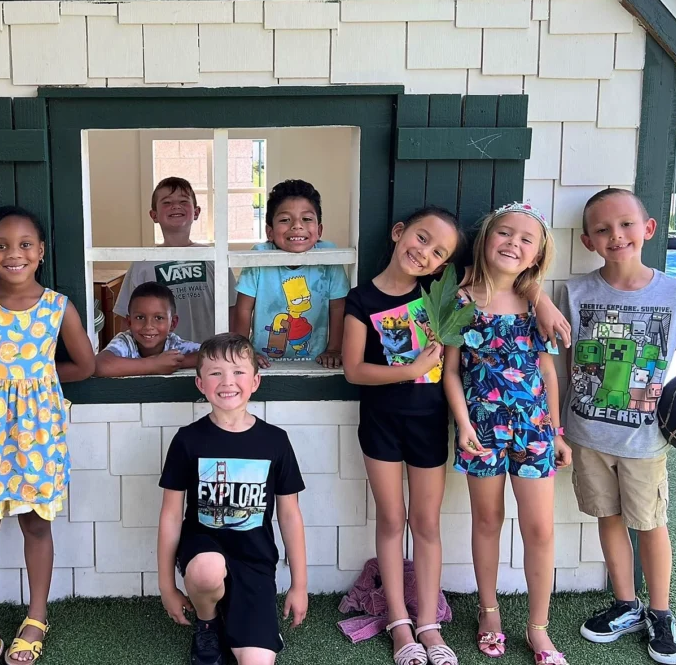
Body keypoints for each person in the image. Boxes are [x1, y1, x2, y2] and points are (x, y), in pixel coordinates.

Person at [559, 189, 676, 665]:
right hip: (587, 435)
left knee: (651, 525)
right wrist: (556, 427)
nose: (616, 235)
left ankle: (660, 611)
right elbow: (561, 365)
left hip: (645, 441)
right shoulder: (573, 294)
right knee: (608, 519)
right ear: (589, 240)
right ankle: (625, 604)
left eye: (626, 225)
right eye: (603, 229)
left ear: (648, 229)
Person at [0, 206, 95, 665]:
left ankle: (35, 617)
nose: (14, 254)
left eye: (25, 244)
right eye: (1, 246)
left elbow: (86, 365)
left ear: (42, 251)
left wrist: (41, 381)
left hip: (38, 434)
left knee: (37, 523)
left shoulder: (57, 307)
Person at [442, 202, 572, 665]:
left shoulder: (536, 302)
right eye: (504, 233)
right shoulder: (458, 301)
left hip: (534, 430)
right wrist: (463, 424)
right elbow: (450, 372)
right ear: (485, 239)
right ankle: (490, 611)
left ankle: (539, 627)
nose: (513, 244)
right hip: (481, 432)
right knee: (487, 520)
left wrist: (556, 431)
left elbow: (548, 373)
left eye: (525, 239)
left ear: (536, 255)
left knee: (539, 528)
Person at [341, 206, 463, 665]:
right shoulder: (361, 299)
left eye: (438, 252)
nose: (424, 252)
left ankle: (429, 624)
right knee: (392, 520)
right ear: (399, 233)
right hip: (381, 424)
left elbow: (504, 280)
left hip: (429, 424)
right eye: (421, 237)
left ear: (441, 266)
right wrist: (409, 369)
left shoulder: (440, 298)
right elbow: (354, 369)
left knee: (426, 523)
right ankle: (398, 622)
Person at [157, 333, 307, 665]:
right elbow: (170, 515)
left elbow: (290, 515)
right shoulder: (188, 440)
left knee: (257, 661)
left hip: (255, 560)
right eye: (215, 373)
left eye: (238, 372)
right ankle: (208, 621)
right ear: (200, 383)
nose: (228, 382)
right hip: (204, 552)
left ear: (255, 381)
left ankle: (239, 616)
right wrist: (167, 586)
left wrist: (300, 584)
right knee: (209, 570)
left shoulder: (275, 442)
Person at [233, 180, 349, 369]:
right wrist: (244, 351)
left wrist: (335, 349)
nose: (297, 226)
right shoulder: (259, 256)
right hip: (262, 360)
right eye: (285, 220)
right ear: (269, 232)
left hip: (315, 360)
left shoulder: (329, 257)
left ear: (319, 230)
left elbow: (338, 308)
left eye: (307, 219)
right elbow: (243, 309)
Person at [114, 177, 237, 344]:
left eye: (183, 201)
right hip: (159, 360)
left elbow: (233, 308)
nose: (176, 206)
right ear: (154, 215)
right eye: (166, 202)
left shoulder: (214, 257)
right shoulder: (143, 262)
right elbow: (126, 317)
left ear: (196, 212)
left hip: (210, 356)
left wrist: (234, 348)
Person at [95, 281, 200, 377]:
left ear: (173, 323)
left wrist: (174, 362)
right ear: (129, 322)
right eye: (140, 317)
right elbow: (99, 365)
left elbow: (211, 354)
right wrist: (154, 365)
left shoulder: (174, 345)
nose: (148, 326)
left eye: (159, 318)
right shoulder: (126, 342)